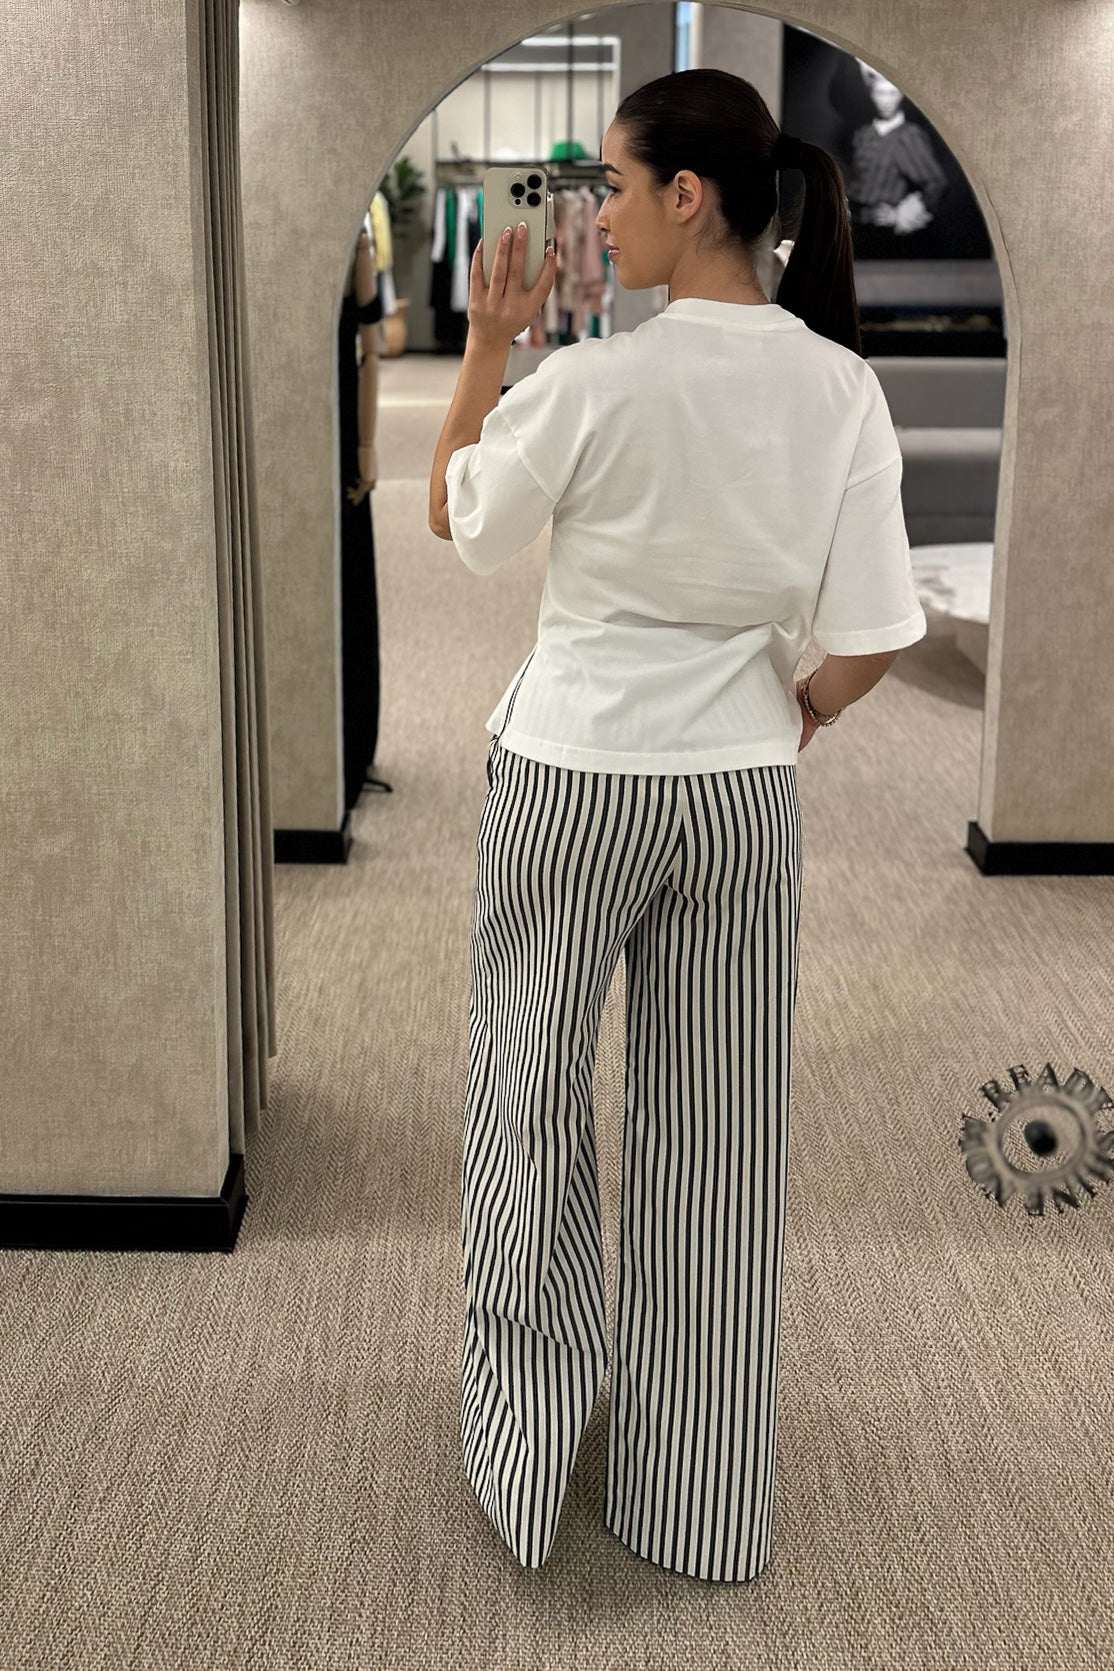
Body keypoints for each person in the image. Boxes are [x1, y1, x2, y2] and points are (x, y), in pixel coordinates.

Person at [429, 67, 927, 1583]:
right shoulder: (840, 388)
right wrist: (798, 710)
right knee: (715, 1146)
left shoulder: (592, 383)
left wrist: (486, 346)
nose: (604, 218)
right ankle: (695, 1503)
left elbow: (459, 520)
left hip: (572, 783)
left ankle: (529, 1460)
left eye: (619, 188)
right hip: (739, 799)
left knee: (526, 1108)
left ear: (688, 198)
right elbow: (869, 640)